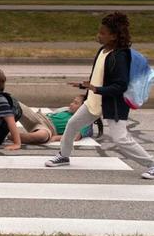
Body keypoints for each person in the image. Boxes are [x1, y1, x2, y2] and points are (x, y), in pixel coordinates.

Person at [46, 12, 154, 179]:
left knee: (121, 139)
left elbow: (120, 86)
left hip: (115, 104)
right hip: (95, 101)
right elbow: (99, 76)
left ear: (114, 36)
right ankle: (64, 155)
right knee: (73, 124)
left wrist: (96, 89)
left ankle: (151, 164)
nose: (99, 35)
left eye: (103, 33)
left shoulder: (120, 56)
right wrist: (86, 86)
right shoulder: (103, 50)